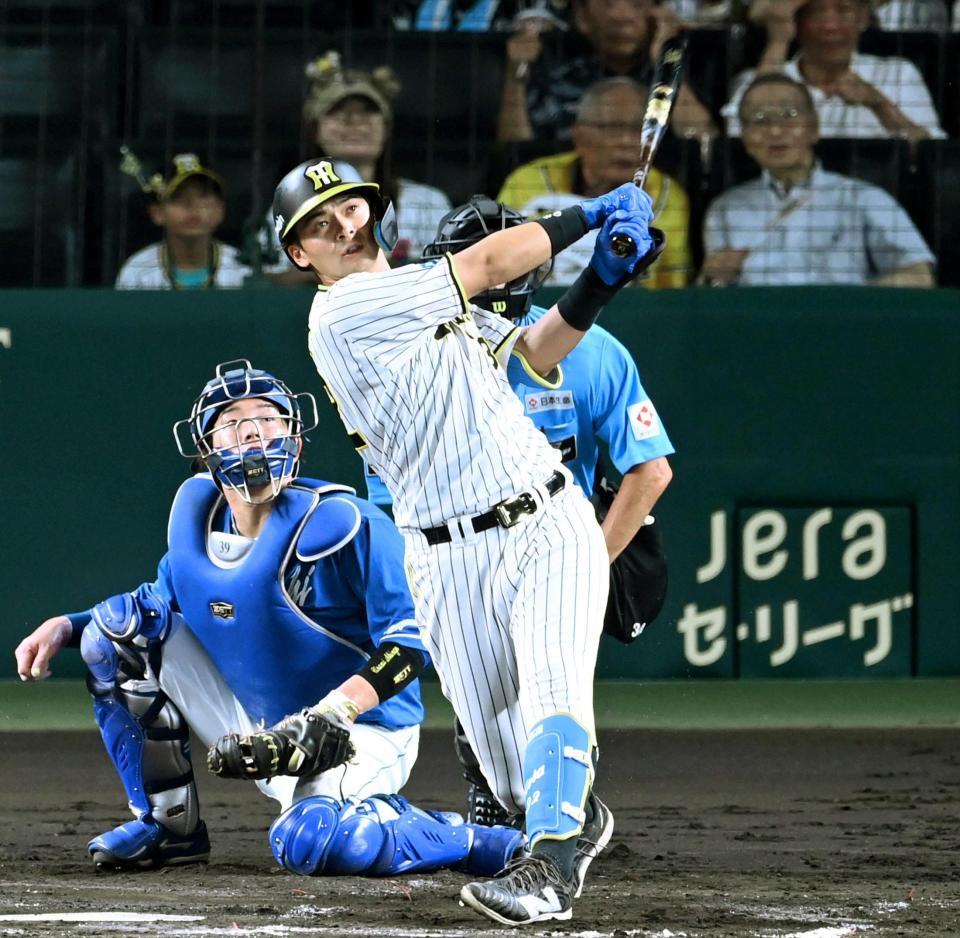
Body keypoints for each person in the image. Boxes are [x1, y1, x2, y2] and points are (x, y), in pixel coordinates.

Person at [270, 154, 662, 924]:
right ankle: (568, 820)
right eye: (319, 224)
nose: (344, 225)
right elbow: (486, 262)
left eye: (349, 207)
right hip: (445, 557)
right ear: (298, 254)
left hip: (544, 518)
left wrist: (602, 281)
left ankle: (550, 866)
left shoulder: (412, 297)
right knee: (506, 768)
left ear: (372, 209)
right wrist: (591, 214)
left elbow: (536, 352)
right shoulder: (349, 311)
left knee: (554, 691)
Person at [13, 361, 522, 880]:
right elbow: (148, 610)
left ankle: (471, 840)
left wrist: (332, 714)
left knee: (311, 842)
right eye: (233, 420)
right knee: (114, 632)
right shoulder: (200, 535)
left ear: (296, 441)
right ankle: (168, 827)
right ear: (207, 452)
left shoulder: (350, 526)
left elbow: (413, 642)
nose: (254, 430)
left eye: (270, 417)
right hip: (253, 725)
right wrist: (65, 626)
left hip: (359, 730)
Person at [363, 196, 674, 824]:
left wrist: (589, 562)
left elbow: (650, 469)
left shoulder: (592, 351)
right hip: (462, 547)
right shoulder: (425, 358)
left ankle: (555, 812)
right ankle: (512, 795)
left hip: (547, 539)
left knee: (540, 686)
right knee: (495, 687)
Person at [703, 74, 935, 286]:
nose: (774, 130)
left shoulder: (864, 198)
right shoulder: (725, 209)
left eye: (789, 115)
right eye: (759, 118)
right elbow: (712, 294)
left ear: (814, 128)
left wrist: (848, 305)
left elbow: (919, 274)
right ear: (744, 137)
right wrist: (714, 278)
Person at [498, 77, 692, 288]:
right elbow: (499, 263)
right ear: (579, 137)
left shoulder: (668, 195)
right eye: (613, 128)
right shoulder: (528, 183)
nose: (627, 141)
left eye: (639, 128)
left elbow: (672, 287)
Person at [293, 51, 453, 266]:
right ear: (315, 131)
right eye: (338, 111)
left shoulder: (428, 203)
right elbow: (272, 276)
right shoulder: (293, 205)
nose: (355, 122)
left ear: (386, 128)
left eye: (369, 111)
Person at [497, 0, 716, 146]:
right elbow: (515, 150)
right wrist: (515, 73)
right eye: (607, 3)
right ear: (582, 17)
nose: (621, 16)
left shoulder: (693, 71)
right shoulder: (559, 80)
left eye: (636, 4)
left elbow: (702, 144)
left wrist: (667, 59)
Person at [722, 0, 947, 140]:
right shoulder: (757, 79)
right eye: (817, 11)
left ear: (863, 19)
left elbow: (931, 154)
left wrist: (879, 104)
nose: (830, 25)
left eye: (844, 10)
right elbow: (737, 140)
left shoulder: (898, 74)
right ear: (797, 23)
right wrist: (779, 39)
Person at [115, 152, 251, 290]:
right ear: (157, 213)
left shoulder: (242, 269)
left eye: (203, 195)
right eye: (177, 196)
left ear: (220, 210)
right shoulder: (136, 270)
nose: (193, 205)